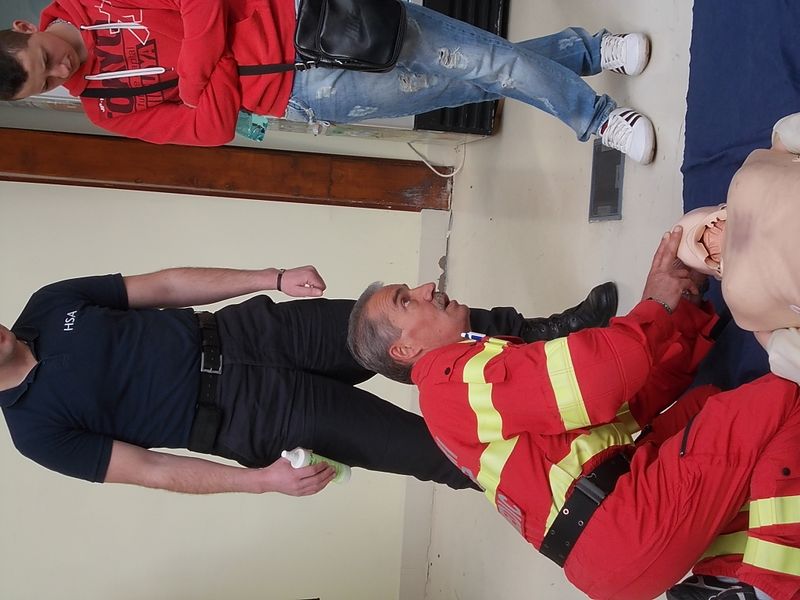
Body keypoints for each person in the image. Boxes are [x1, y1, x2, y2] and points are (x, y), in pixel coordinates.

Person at [347, 228, 800, 600]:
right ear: (404, 350)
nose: (427, 288)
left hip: (608, 547)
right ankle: (766, 585)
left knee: (705, 411)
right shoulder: (452, 382)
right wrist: (657, 303)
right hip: (622, 528)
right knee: (783, 399)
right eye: (406, 300)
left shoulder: (460, 390)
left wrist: (683, 311)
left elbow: (624, 405)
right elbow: (601, 376)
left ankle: (727, 578)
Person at [0, 263, 617, 496]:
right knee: (435, 452)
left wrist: (270, 278)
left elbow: (162, 286)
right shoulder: (35, 432)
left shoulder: (48, 305)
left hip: (252, 332)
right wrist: (259, 482)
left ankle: (553, 336)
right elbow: (150, 470)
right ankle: (586, 480)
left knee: (413, 327)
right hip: (251, 416)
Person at [0, 0, 655, 163]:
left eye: (44, 58)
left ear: (29, 27)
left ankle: (596, 117)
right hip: (303, 96)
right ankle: (584, 50)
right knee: (469, 83)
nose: (60, 72)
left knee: (482, 61)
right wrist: (213, 49)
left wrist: (198, 77)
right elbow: (211, 129)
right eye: (45, 85)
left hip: (309, 19)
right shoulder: (106, 108)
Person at [675, 111, 800, 384]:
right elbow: (784, 134)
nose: (711, 240)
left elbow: (779, 350)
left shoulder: (743, 306)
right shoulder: (741, 302)